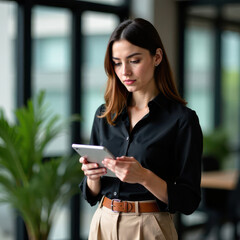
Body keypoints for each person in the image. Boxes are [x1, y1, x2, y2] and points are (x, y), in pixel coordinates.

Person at [79, 18, 203, 240]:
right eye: (117, 62)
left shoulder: (182, 120)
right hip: (102, 223)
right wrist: (92, 177)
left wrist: (144, 177)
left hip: (148, 227)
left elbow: (189, 200)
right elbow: (91, 194)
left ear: (157, 57)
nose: (124, 71)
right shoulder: (105, 114)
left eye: (134, 60)